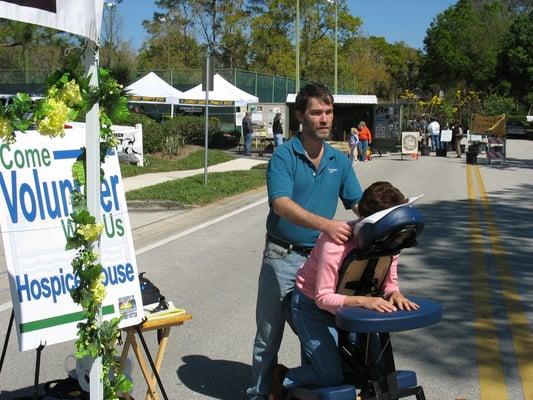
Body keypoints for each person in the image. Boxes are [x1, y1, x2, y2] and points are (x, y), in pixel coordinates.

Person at [246, 83, 363, 400]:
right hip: (282, 257)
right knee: (269, 335)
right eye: (316, 112)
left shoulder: (340, 161)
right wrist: (327, 225)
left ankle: (302, 392)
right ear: (301, 115)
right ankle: (259, 394)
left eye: (328, 112)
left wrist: (387, 211)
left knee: (315, 335)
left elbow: (358, 203)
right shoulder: (285, 155)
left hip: (320, 262)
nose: (324, 119)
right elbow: (280, 203)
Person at [269, 182, 420, 399]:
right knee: (331, 375)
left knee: (376, 371)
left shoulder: (389, 240)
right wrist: (365, 302)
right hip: (311, 308)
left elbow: (389, 282)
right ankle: (283, 378)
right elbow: (323, 298)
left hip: (353, 307)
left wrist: (394, 293)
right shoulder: (336, 241)